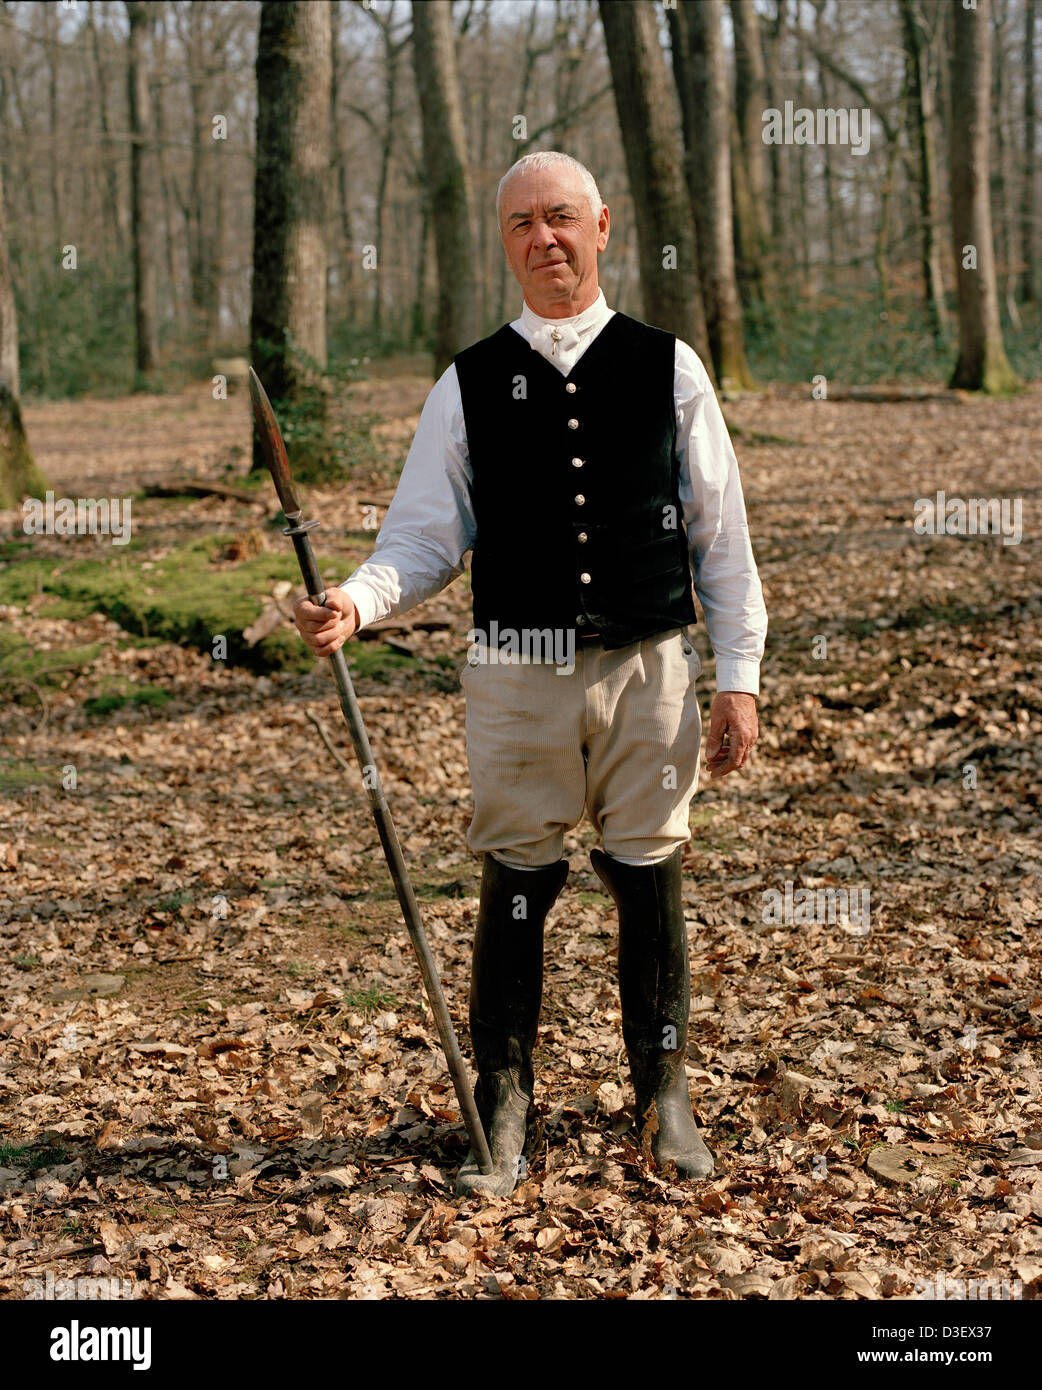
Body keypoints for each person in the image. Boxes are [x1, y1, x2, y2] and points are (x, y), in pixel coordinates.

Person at [295, 152, 767, 1197]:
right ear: (503, 241)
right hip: (517, 672)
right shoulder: (466, 382)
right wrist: (355, 602)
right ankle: (504, 1100)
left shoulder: (667, 365)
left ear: (602, 226)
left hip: (649, 666)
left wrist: (735, 674)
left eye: (561, 218)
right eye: (521, 224)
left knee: (650, 877)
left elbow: (721, 538)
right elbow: (421, 540)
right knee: (517, 882)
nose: (543, 238)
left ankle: (665, 1093)